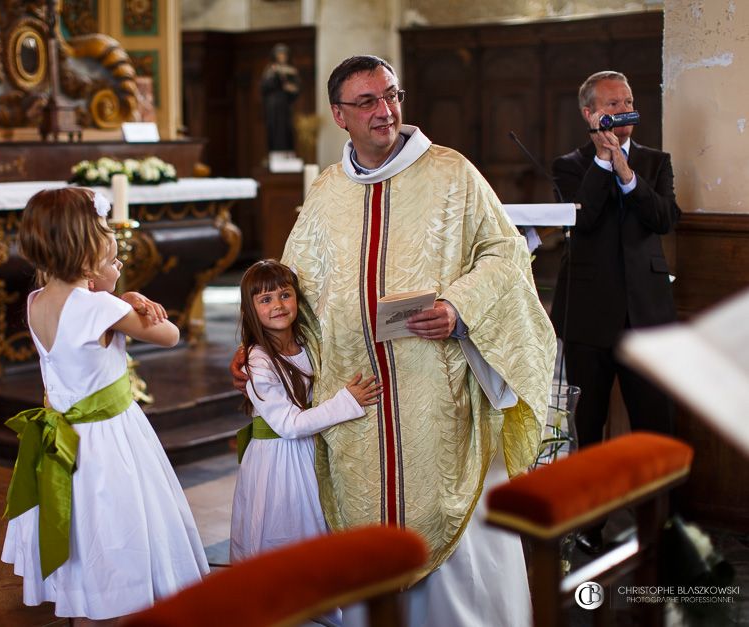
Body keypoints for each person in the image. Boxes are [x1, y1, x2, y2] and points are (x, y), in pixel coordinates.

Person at [233, 55, 555, 626]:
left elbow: (504, 254)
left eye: (391, 96)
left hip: (436, 390)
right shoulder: (328, 190)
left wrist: (458, 308)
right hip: (355, 398)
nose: (385, 111)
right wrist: (261, 347)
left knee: (446, 507)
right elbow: (293, 286)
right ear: (340, 115)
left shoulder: (452, 173)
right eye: (367, 102)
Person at [1, 187, 209, 625]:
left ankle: (81, 605)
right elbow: (170, 335)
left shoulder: (36, 301)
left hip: (63, 442)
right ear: (84, 247)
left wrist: (115, 297)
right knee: (115, 527)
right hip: (107, 442)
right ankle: (115, 607)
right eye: (101, 231)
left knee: (81, 529)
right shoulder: (97, 305)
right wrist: (126, 297)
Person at [551, 71, 680, 554]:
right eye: (612, 104)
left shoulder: (655, 160)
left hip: (648, 312)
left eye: (628, 100)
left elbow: (664, 218)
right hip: (589, 313)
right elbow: (583, 219)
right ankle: (591, 523)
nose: (623, 110)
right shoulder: (570, 166)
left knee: (655, 421)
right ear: (590, 113)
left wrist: (628, 174)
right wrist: (604, 165)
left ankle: (661, 522)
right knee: (591, 422)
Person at [230, 260, 381, 565]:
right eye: (265, 300)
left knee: (321, 523)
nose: (278, 305)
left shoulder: (305, 344)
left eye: (285, 295)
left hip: (311, 450)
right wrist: (346, 401)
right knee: (290, 529)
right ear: (249, 310)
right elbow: (289, 425)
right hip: (280, 462)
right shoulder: (258, 362)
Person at [261, 43, 300, 155]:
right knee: (274, 129)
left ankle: (288, 152)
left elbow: (297, 88)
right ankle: (275, 153)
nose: (282, 57)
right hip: (273, 105)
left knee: (286, 129)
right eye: (280, 54)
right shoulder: (270, 69)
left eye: (284, 54)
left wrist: (292, 89)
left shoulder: (291, 70)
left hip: (285, 105)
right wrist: (275, 78)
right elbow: (264, 87)